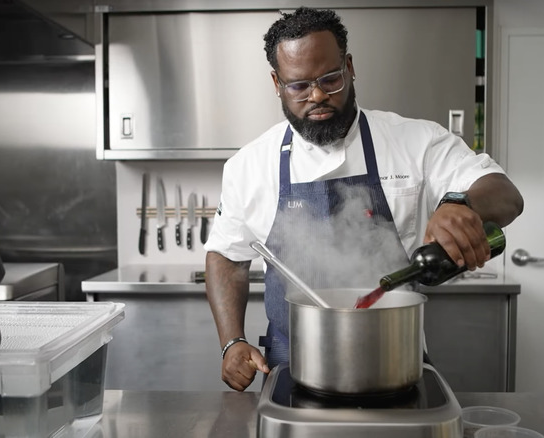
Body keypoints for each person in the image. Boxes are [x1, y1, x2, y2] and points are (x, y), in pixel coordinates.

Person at [203, 7, 524, 392]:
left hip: (395, 357)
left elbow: (505, 194)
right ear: (277, 83)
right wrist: (232, 341)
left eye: (330, 79)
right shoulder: (250, 165)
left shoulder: (415, 141)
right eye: (299, 86)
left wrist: (460, 203)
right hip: (291, 364)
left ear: (350, 67)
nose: (318, 95)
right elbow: (226, 256)